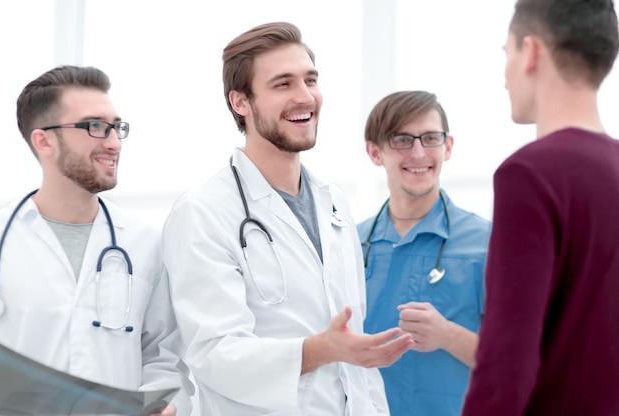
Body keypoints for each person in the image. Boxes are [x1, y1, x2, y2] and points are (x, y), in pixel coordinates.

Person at [162, 21, 414, 415]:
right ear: (240, 102)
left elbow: (356, 357)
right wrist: (317, 351)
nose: (305, 97)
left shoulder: (334, 204)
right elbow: (214, 355)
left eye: (310, 80)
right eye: (283, 84)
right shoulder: (203, 213)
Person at [0, 65, 193, 415]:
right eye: (95, 127)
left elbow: (163, 355)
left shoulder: (144, 243)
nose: (114, 142)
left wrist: (166, 402)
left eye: (116, 127)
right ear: (44, 141)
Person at [461, 1, 619, 415]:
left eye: (506, 53)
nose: (504, 75)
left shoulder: (530, 174)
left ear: (530, 52)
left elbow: (506, 362)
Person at [357, 90, 491, 415]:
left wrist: (447, 335)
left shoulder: (488, 243)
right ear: (375, 152)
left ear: (447, 147)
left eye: (430, 138)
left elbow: (517, 359)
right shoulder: (350, 245)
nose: (418, 153)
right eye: (402, 139)